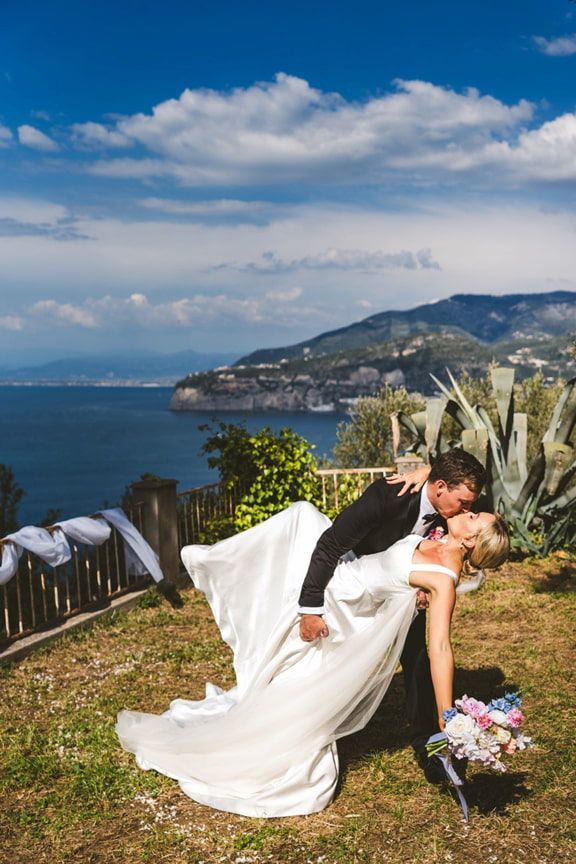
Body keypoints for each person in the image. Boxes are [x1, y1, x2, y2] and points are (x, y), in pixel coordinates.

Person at [116, 486, 509, 818]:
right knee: (301, 517)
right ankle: (213, 560)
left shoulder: (445, 581)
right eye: (472, 510)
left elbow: (439, 647)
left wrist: (449, 717)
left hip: (344, 611)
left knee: (295, 676)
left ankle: (252, 744)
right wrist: (426, 474)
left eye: (476, 518)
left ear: (471, 541)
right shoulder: (441, 539)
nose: (469, 512)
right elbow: (437, 495)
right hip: (342, 582)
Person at [297, 449, 487, 783]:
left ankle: (430, 744)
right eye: (464, 503)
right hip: (356, 583)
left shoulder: (453, 512)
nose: (468, 511)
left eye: (471, 505)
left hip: (403, 594)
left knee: (416, 659)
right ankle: (309, 725)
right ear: (440, 487)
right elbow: (330, 545)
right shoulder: (386, 497)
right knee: (333, 661)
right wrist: (310, 608)